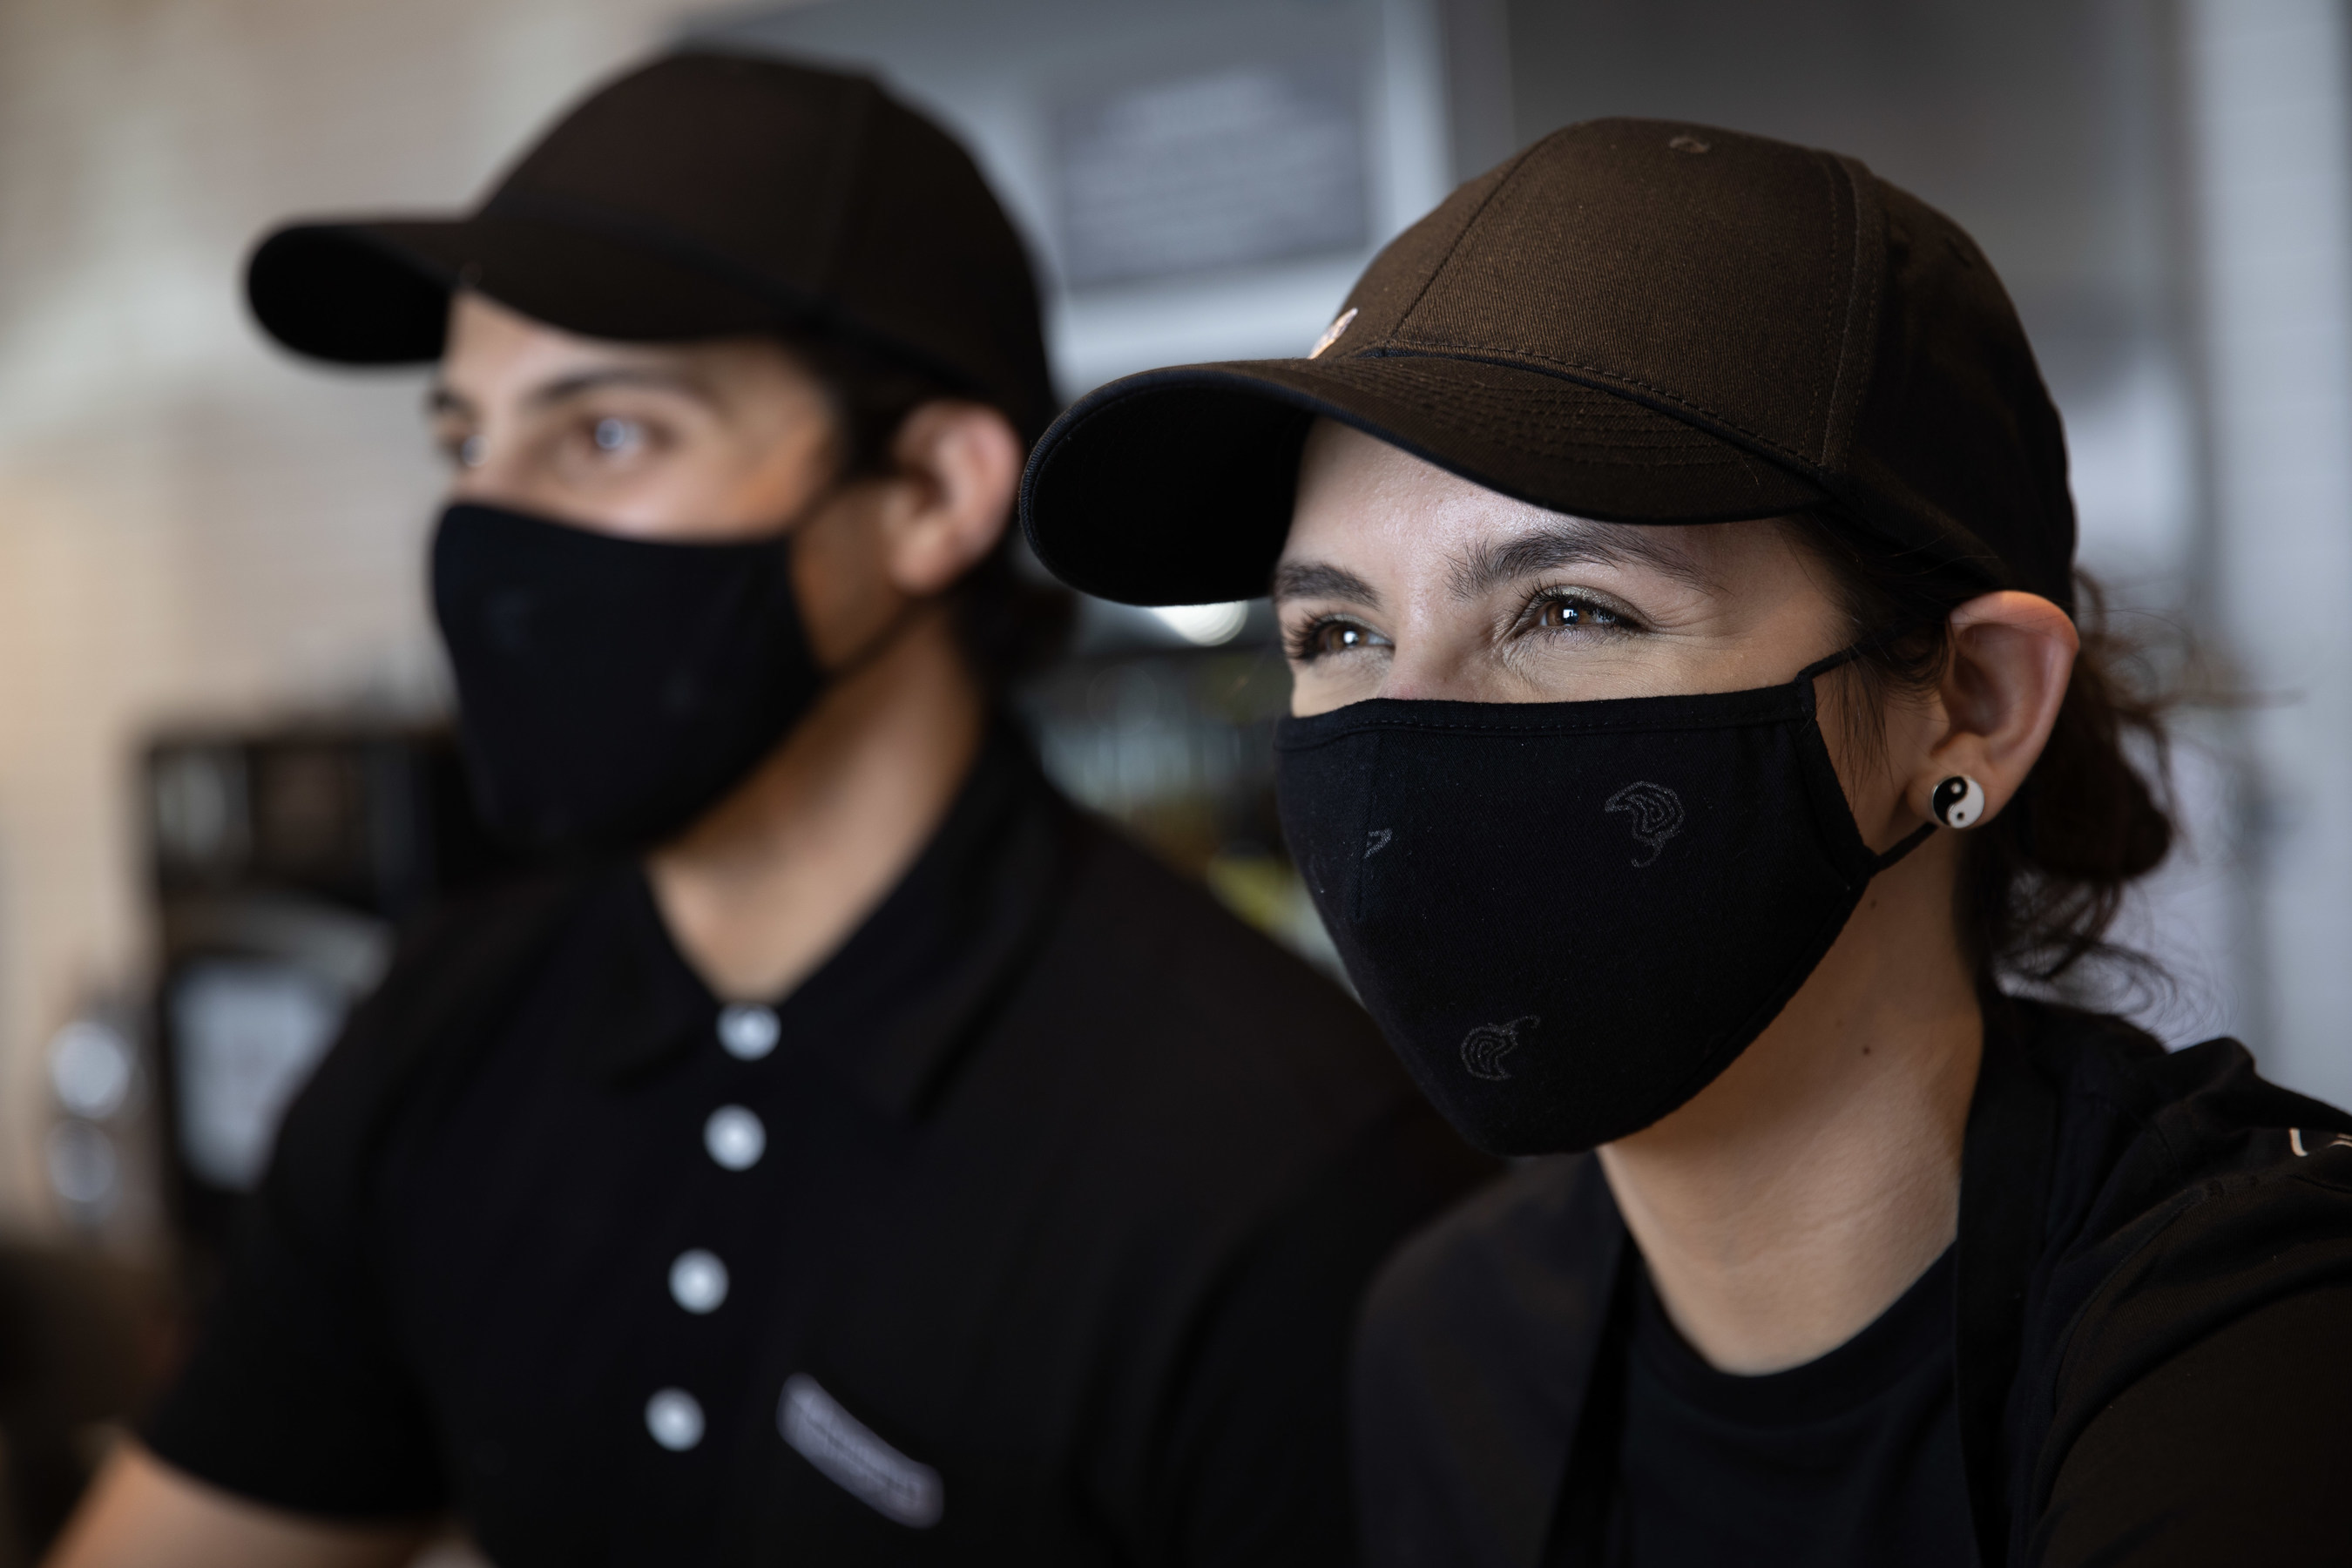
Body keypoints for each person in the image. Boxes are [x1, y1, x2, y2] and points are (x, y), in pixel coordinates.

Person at [49, 51, 1493, 1567]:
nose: (490, 532)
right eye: (467, 443)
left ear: (932, 493)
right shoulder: (445, 1030)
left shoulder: (1281, 1169)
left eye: (608, 435)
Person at [1018, 118, 2352, 1565]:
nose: (1401, 744)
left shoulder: (2265, 1323)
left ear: (1970, 705)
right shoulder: (1447, 1340)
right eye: (1338, 633)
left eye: (1570, 611)